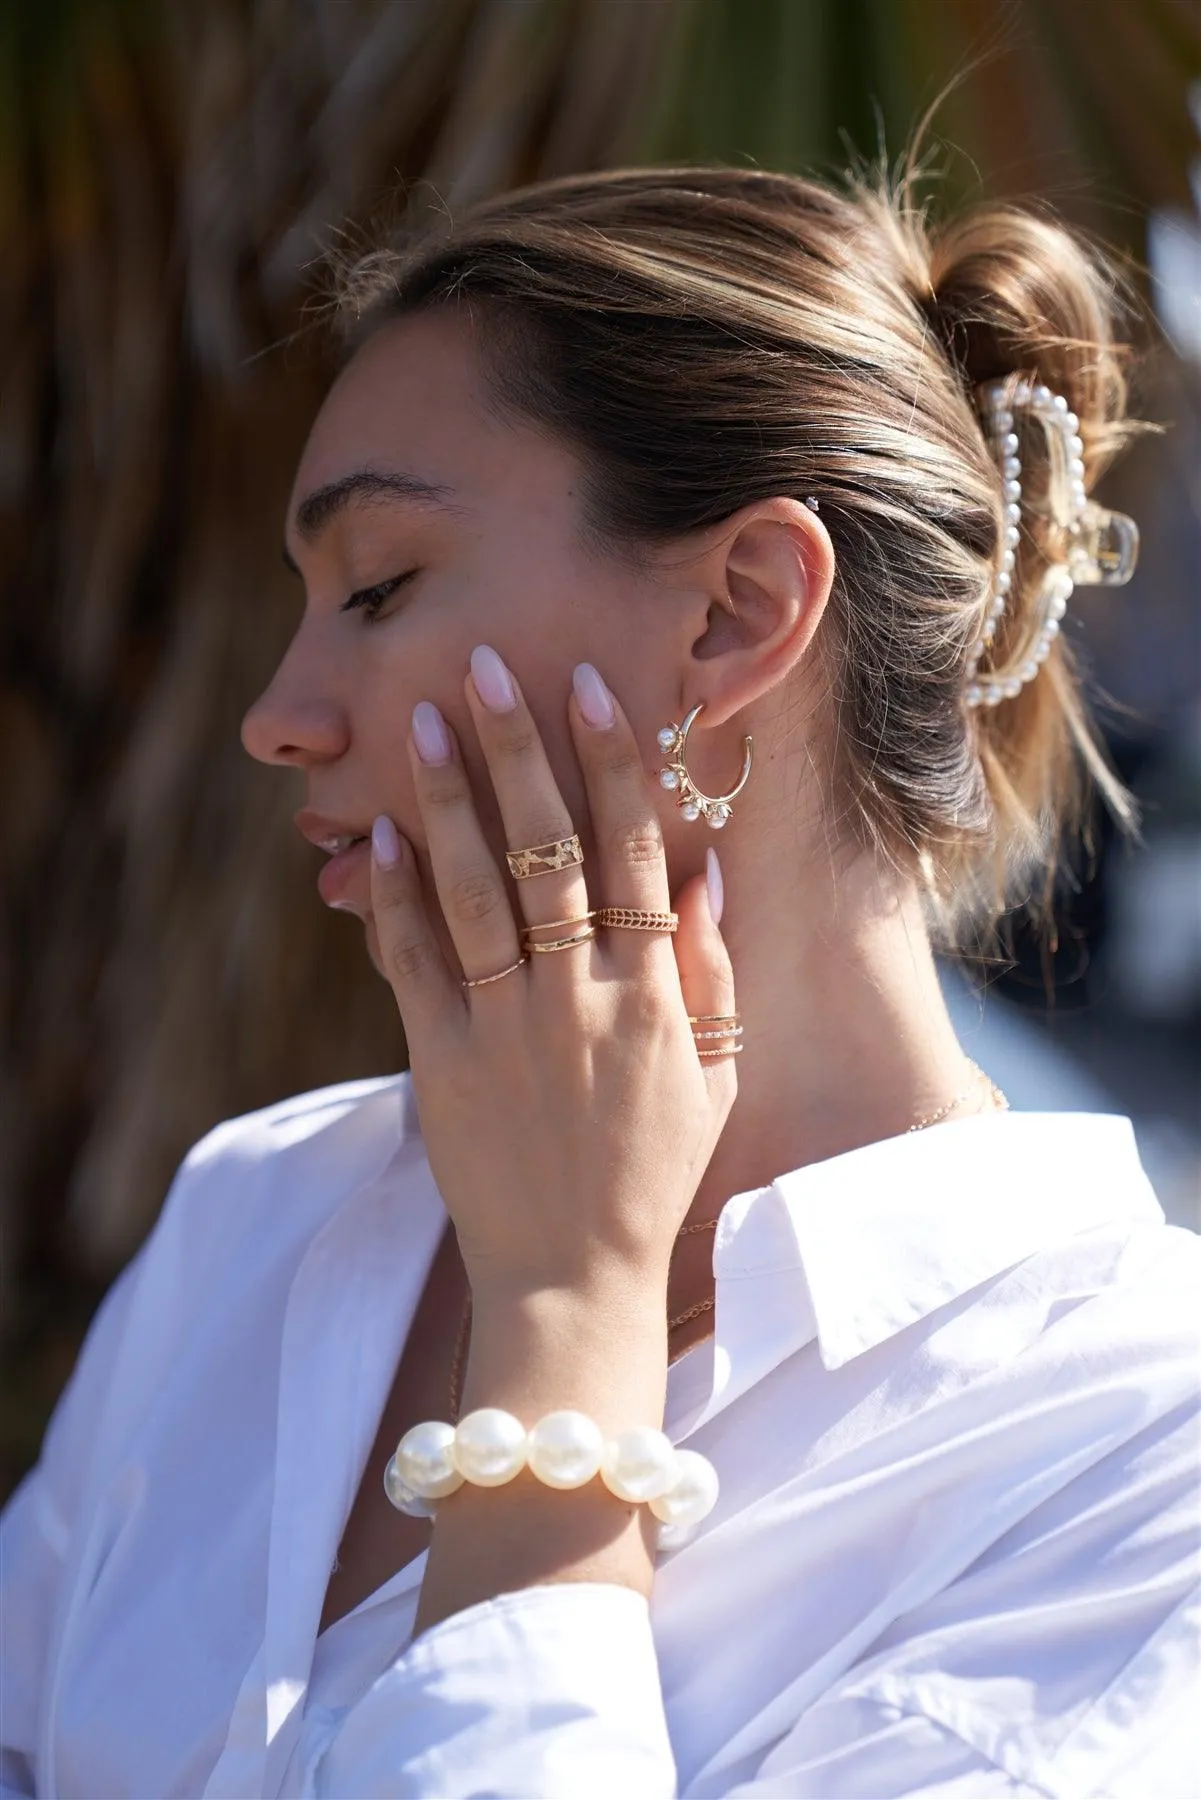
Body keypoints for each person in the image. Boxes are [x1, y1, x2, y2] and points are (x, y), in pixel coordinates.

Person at [2, 160, 1198, 1800]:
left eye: (378, 585)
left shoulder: (1137, 1454)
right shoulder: (263, 1209)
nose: (277, 714)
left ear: (739, 611)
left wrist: (563, 1334)